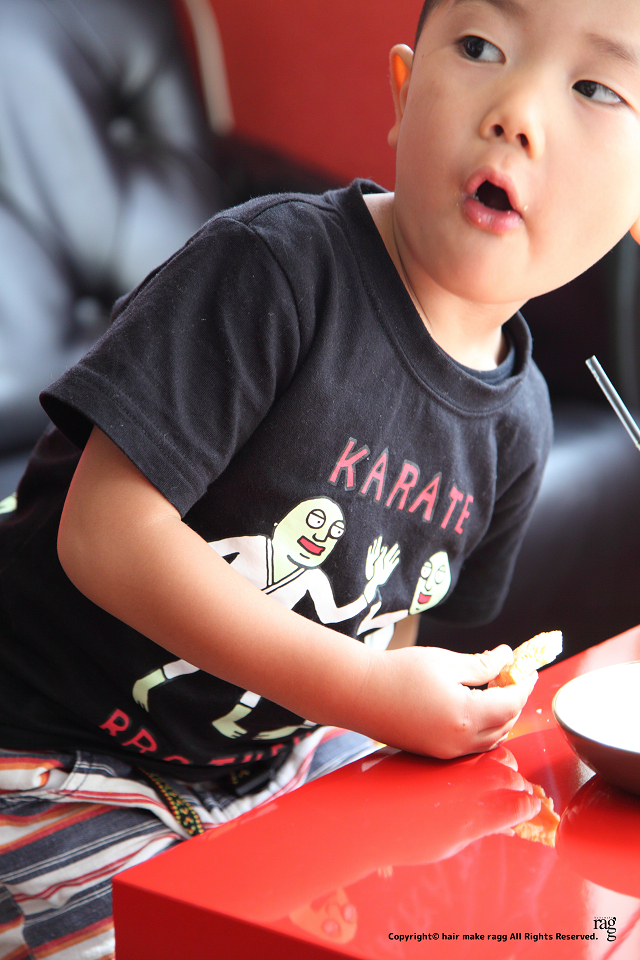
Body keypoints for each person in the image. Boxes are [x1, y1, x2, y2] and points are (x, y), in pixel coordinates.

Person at [3, 0, 640, 955]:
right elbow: (101, 535)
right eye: (481, 47)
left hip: (279, 757)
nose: (517, 111)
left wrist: (403, 705)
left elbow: (397, 620)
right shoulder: (271, 270)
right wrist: (367, 690)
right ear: (402, 93)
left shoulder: (521, 425)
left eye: (594, 86)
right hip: (53, 746)